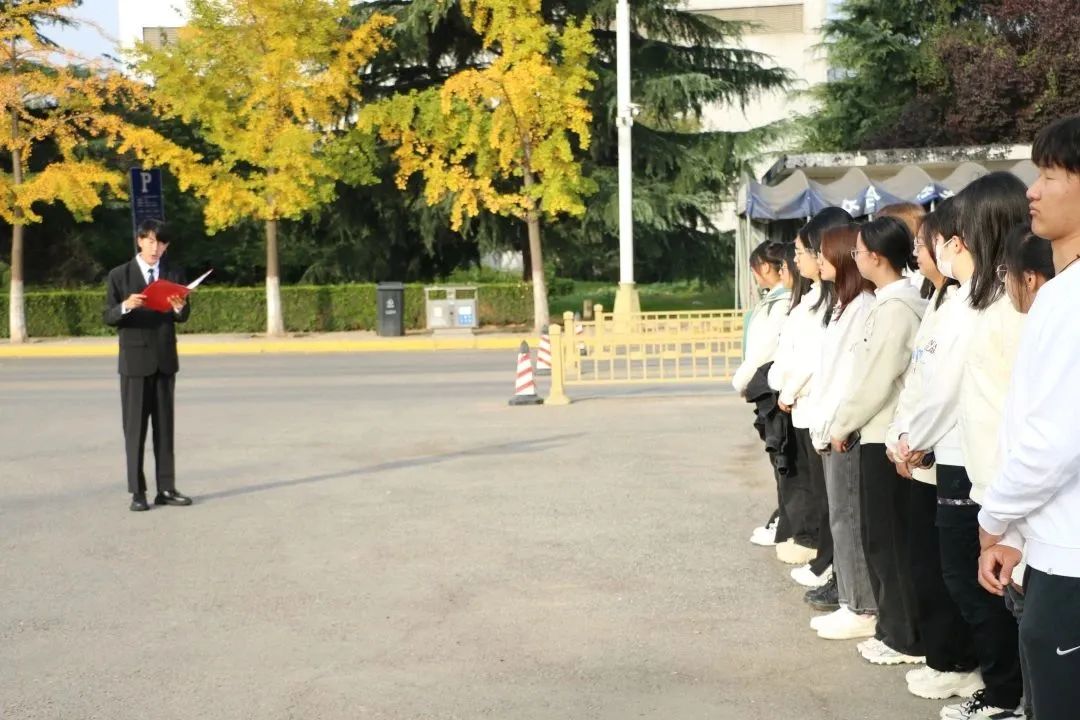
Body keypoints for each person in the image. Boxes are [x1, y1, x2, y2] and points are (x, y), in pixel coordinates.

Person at [902, 173, 1028, 720]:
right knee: (975, 579)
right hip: (974, 467)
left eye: (961, 231)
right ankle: (1007, 689)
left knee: (986, 584)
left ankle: (1005, 694)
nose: (950, 243)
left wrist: (914, 439)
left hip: (995, 474)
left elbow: (954, 390)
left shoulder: (1001, 304)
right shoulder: (976, 298)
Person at [979, 115, 1080, 720]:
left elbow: (1056, 440)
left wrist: (994, 520)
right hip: (1053, 548)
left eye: (1049, 175)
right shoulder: (1062, 294)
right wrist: (1018, 536)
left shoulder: (1071, 300)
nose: (1032, 192)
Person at [887, 199, 982, 702]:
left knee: (952, 570)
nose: (922, 254)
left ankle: (963, 664)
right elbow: (920, 379)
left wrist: (912, 440)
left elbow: (944, 390)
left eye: (929, 244)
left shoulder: (969, 304)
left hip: (946, 451)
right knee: (932, 564)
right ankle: (947, 658)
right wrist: (904, 436)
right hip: (924, 446)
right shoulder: (943, 299)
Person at [830, 216, 928, 666]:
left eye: (858, 251)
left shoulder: (896, 308)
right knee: (880, 537)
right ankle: (893, 628)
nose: (855, 258)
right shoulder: (888, 303)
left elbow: (876, 378)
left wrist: (841, 424)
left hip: (884, 434)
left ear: (876, 256)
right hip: (876, 432)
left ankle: (904, 635)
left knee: (888, 540)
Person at [989, 223, 1055, 720]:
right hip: (1026, 525)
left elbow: (1047, 448)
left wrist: (995, 520)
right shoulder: (1040, 322)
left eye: (1005, 273)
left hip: (1049, 536)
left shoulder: (1054, 321)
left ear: (1029, 278)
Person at [771, 207, 853, 592]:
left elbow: (814, 360)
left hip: (822, 409)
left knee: (834, 500)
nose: (800, 259)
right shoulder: (815, 299)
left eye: (804, 252)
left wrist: (788, 390)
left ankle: (831, 566)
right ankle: (827, 562)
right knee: (823, 495)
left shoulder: (837, 303)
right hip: (807, 409)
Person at [805, 223, 878, 641]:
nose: (819, 260)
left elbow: (852, 378)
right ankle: (852, 600)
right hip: (829, 425)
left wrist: (836, 425)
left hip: (843, 429)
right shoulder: (843, 306)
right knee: (840, 517)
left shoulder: (864, 307)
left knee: (849, 518)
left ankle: (862, 606)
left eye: (824, 253)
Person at [103, 219, 194, 512]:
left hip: (165, 360)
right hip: (135, 362)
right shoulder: (119, 275)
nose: (156, 248)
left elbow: (183, 316)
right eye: (151, 241)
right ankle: (138, 492)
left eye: (162, 243)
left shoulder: (173, 273)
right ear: (140, 241)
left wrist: (179, 307)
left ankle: (166, 488)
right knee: (135, 431)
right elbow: (107, 316)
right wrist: (126, 305)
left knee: (165, 430)